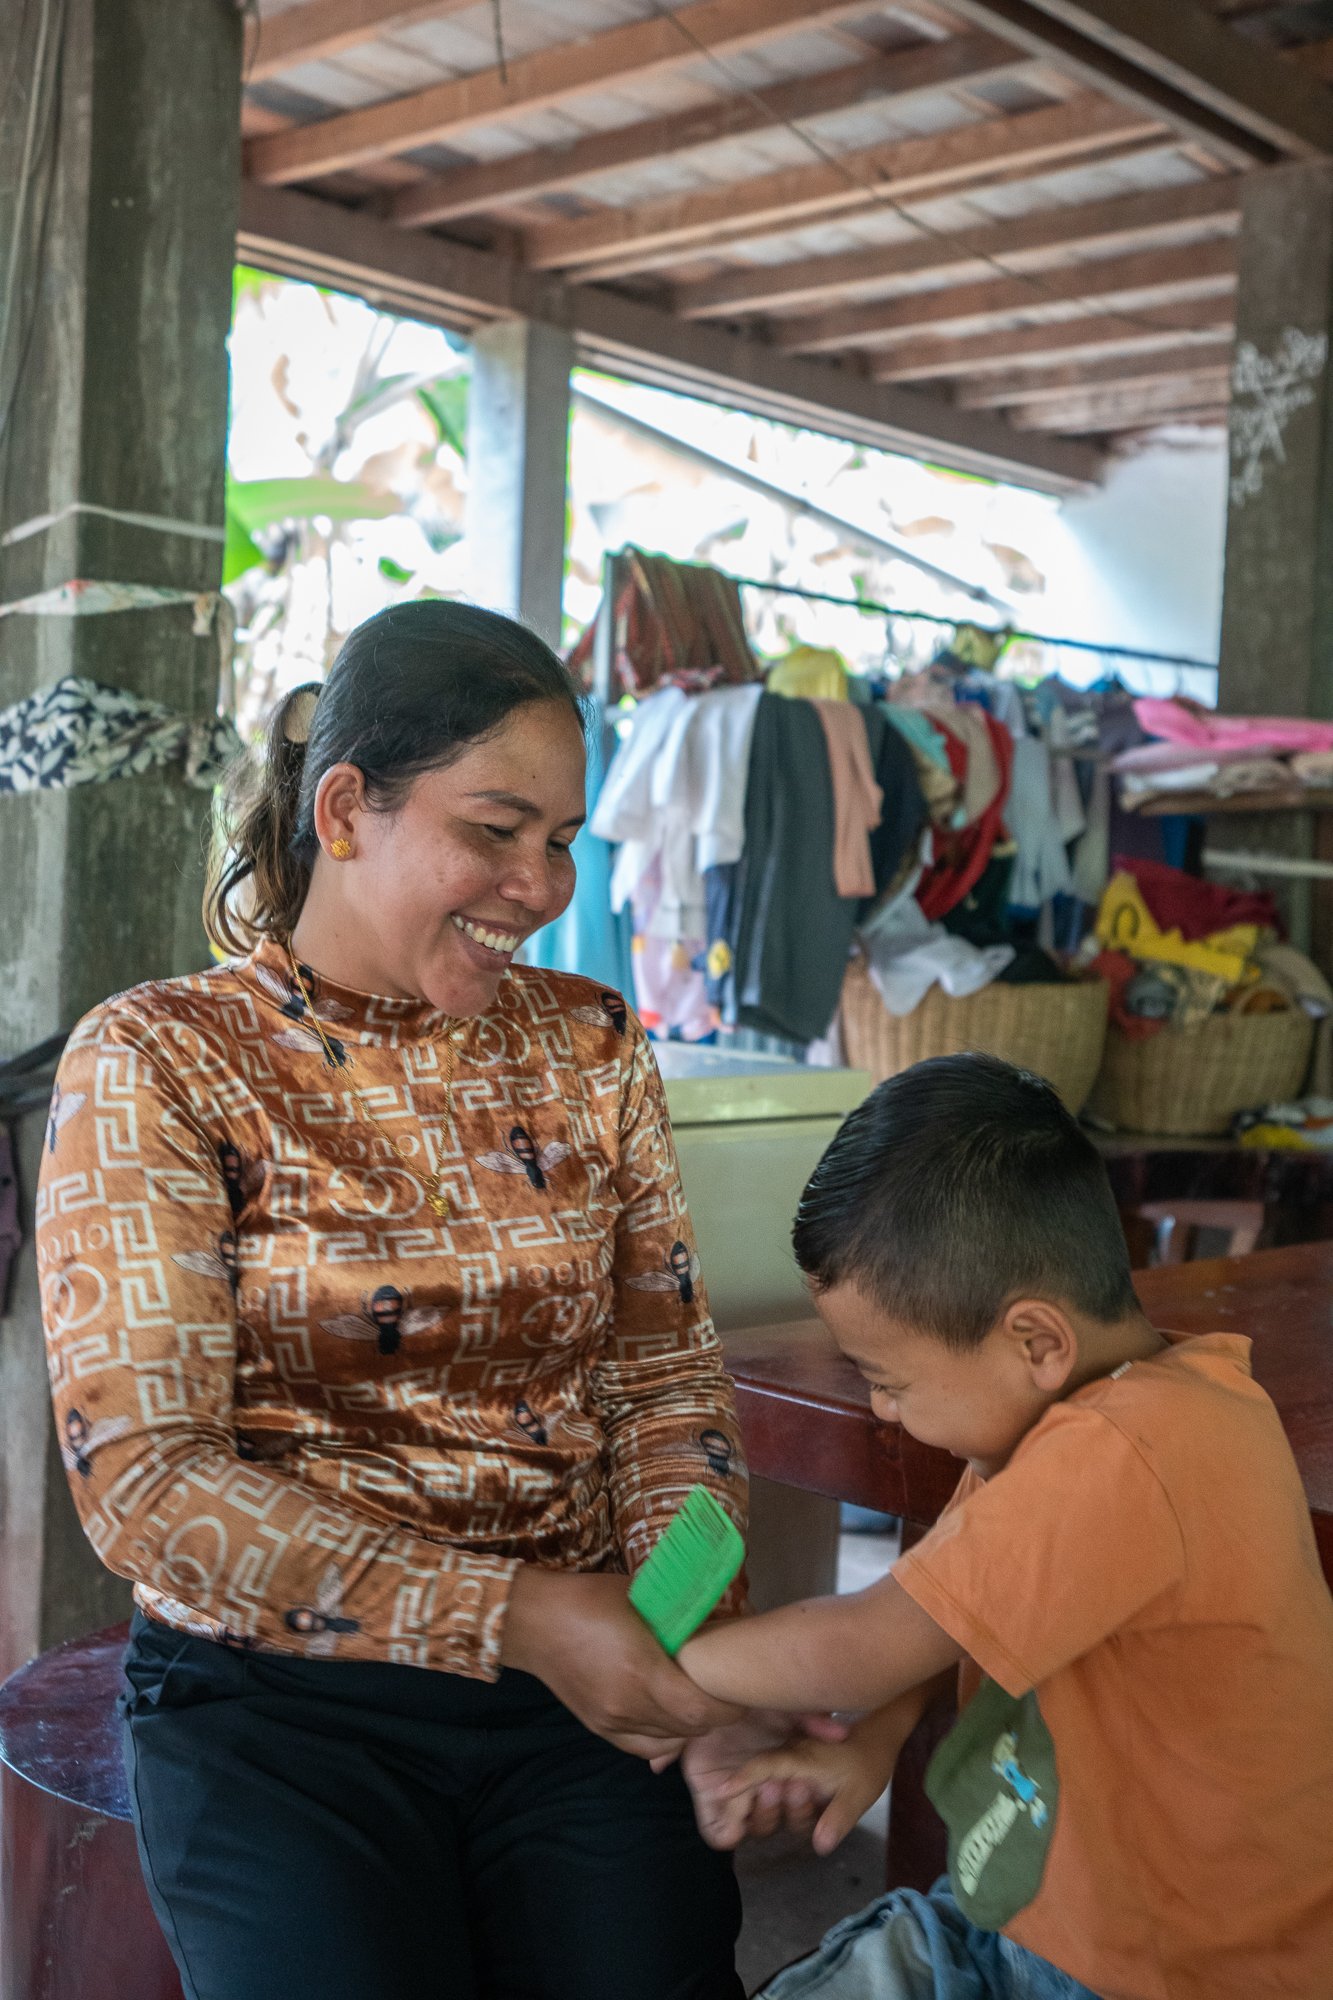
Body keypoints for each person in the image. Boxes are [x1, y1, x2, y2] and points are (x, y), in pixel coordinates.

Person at [36, 600, 794, 2000]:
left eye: (562, 839)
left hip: (574, 1694)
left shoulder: (591, 1043)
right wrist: (517, 1615)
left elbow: (664, 1386)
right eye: (496, 830)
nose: (542, 882)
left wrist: (672, 1633)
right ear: (342, 809)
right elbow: (147, 1482)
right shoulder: (162, 1058)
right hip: (275, 1712)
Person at [673, 1055, 1333, 2000]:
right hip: (1029, 1915)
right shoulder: (1058, 1428)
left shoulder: (1131, 1449)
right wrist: (872, 1740)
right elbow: (944, 1613)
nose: (884, 1412)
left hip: (1171, 1971)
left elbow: (868, 1640)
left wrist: (660, 1662)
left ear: (1035, 1342)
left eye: (889, 1380)